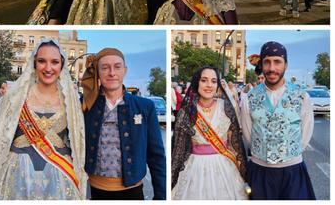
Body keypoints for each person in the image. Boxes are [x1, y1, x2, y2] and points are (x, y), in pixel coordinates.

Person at [0, 39, 87, 199]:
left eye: (55, 62)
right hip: (18, 174)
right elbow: (0, 136)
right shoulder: (15, 96)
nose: (48, 68)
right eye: (42, 61)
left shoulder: (71, 100)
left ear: (62, 65)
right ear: (34, 63)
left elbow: (78, 143)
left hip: (59, 176)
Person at [82, 48, 166, 200]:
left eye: (117, 67)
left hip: (132, 192)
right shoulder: (85, 105)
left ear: (125, 70)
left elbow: (156, 156)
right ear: (97, 72)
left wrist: (161, 196)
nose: (112, 73)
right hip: (93, 190)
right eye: (105, 67)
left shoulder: (145, 106)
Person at [240, 41, 315, 200]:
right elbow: (248, 134)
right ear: (261, 65)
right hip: (260, 171)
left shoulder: (302, 97)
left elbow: (305, 133)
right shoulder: (249, 98)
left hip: (293, 171)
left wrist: (289, 154)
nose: (272, 68)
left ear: (286, 65)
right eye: (267, 62)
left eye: (277, 62)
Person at [171, 66, 247, 199]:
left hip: (225, 167)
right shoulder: (187, 112)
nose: (209, 85)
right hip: (194, 168)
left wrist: (244, 171)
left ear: (218, 85)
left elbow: (235, 142)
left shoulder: (226, 107)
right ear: (197, 83)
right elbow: (179, 148)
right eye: (204, 80)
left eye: (213, 81)